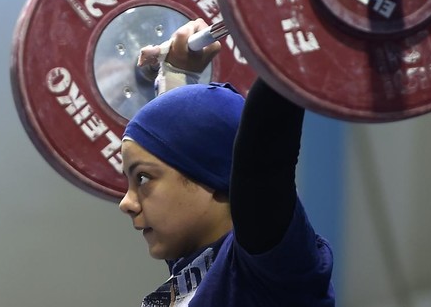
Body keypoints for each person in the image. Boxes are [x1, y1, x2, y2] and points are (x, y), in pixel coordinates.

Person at [119, 18, 335, 306]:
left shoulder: (266, 270)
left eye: (142, 178)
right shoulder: (194, 272)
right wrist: (176, 74)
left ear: (217, 177)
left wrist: (293, 29)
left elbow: (261, 160)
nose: (126, 203)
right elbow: (181, 140)